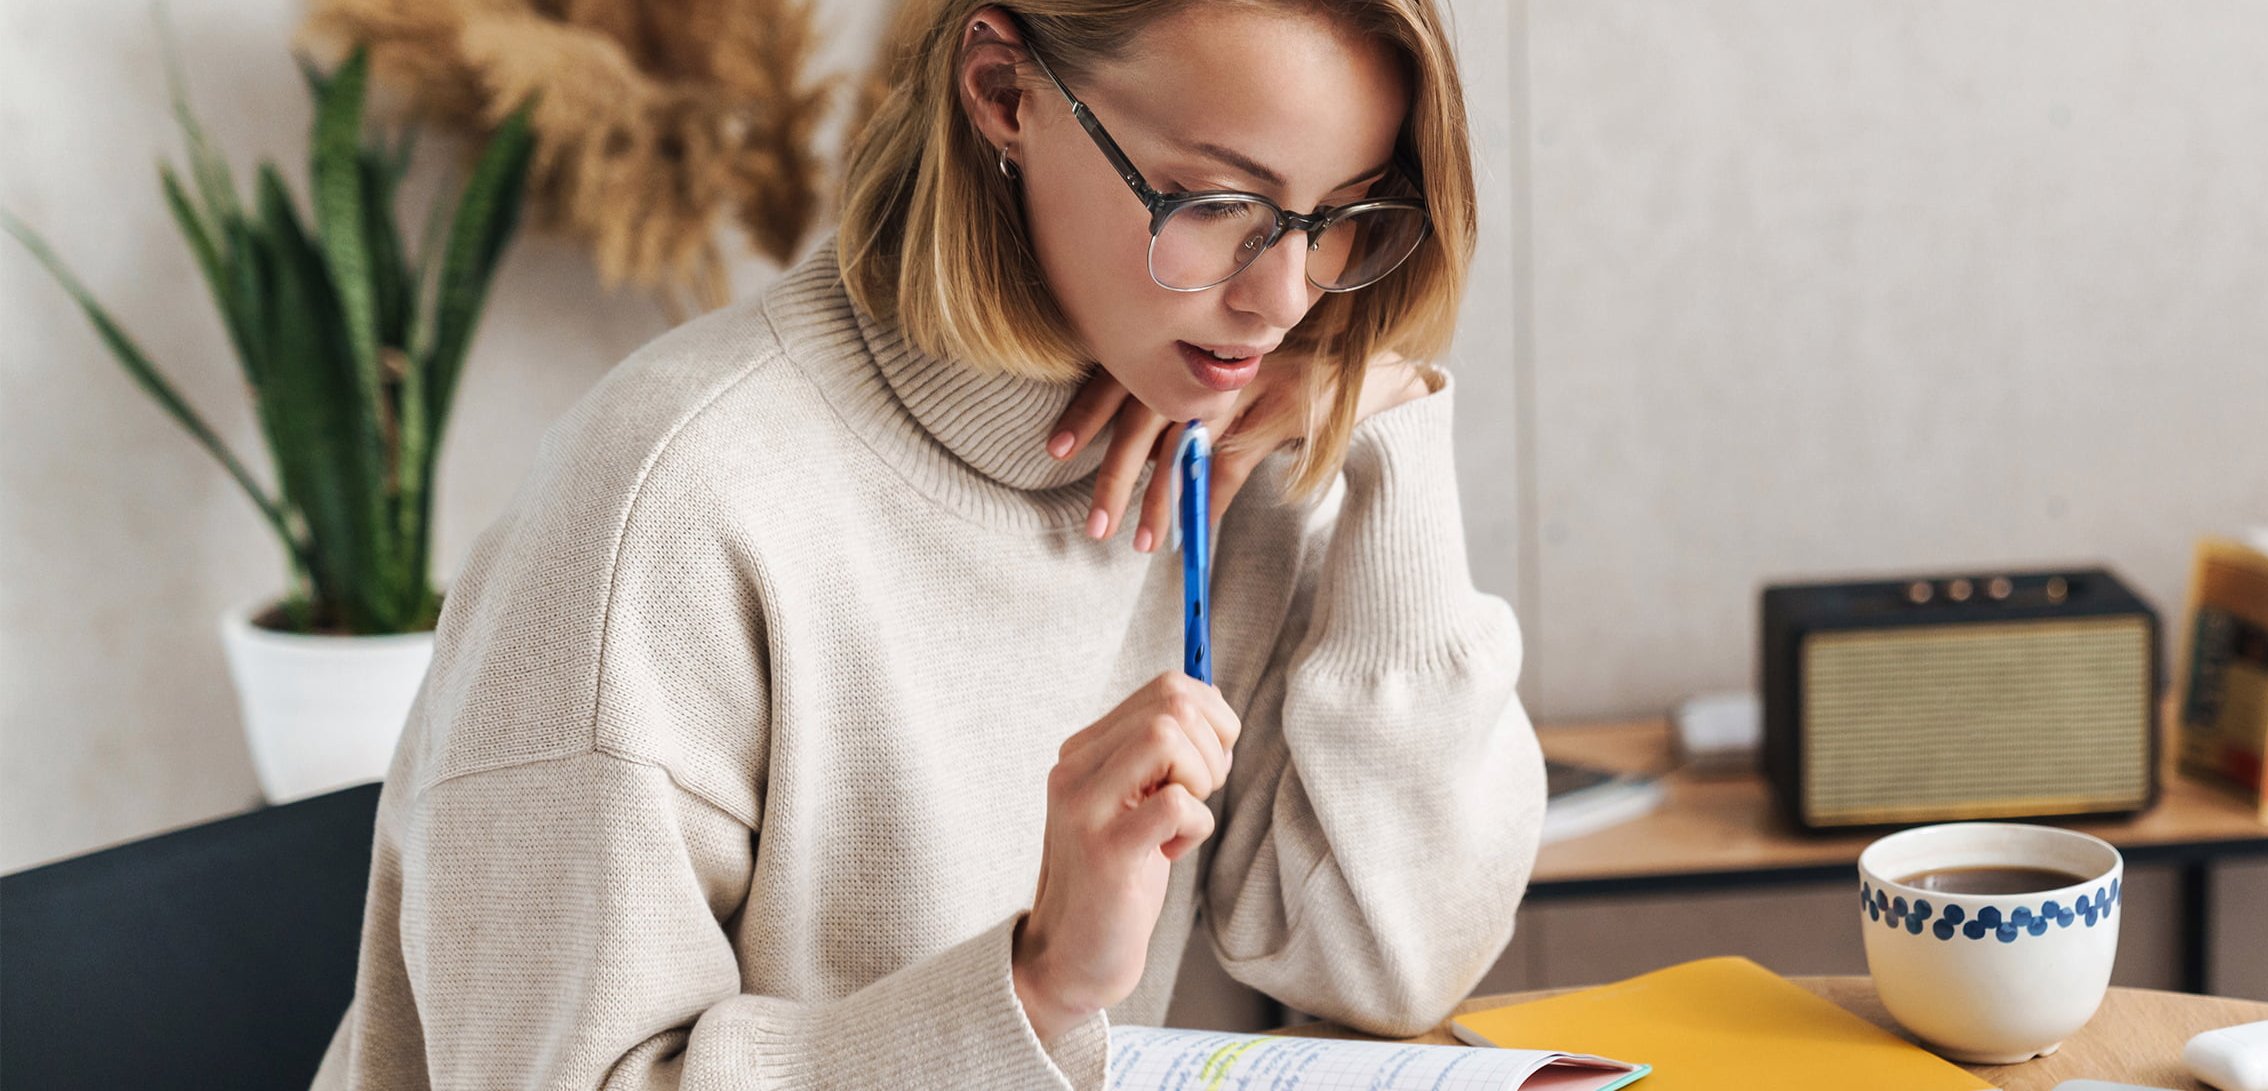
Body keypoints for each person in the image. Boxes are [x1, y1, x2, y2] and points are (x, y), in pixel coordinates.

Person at [311, 1, 1540, 1085]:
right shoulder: (667, 509)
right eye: (1218, 203)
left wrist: (1385, 426)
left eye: (1339, 219)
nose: (1284, 298)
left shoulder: (1237, 436)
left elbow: (1394, 961)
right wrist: (1037, 984)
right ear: (1003, 92)